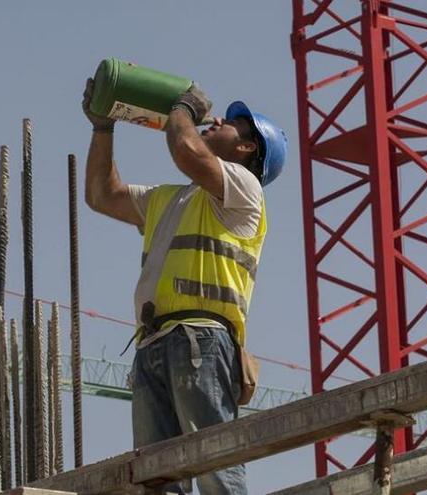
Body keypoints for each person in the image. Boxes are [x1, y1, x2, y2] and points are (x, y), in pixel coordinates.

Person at [81, 77, 286, 494]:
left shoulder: (244, 189)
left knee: (214, 465)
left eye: (230, 124)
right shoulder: (170, 199)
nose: (217, 123)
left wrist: (184, 109)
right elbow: (102, 194)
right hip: (153, 344)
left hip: (202, 340)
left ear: (247, 148)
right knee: (157, 478)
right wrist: (103, 128)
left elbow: (184, 149)